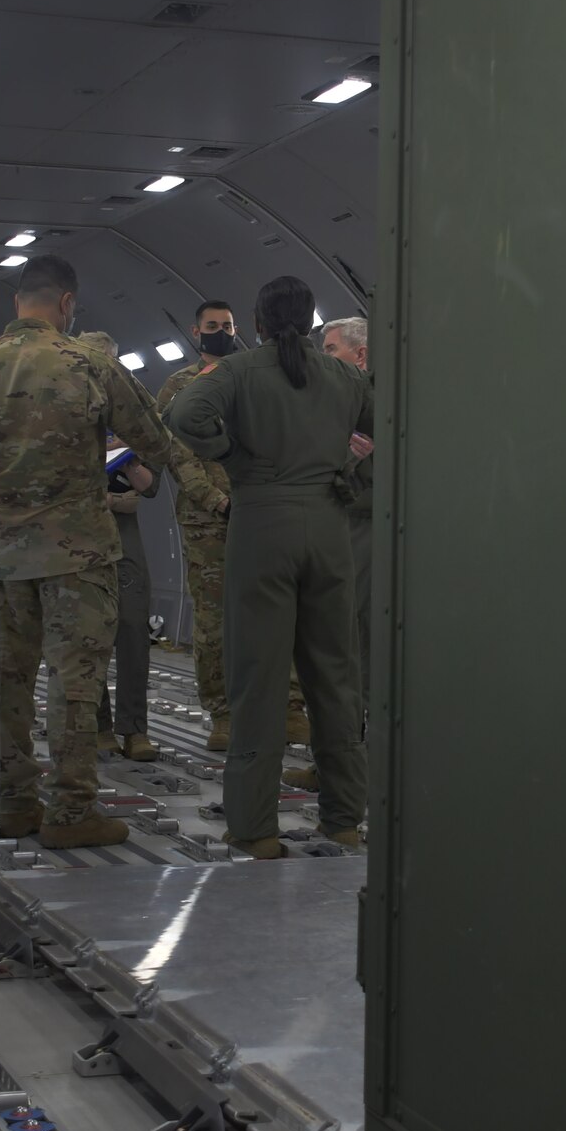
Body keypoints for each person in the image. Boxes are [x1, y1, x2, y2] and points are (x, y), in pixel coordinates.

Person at [0, 255, 175, 848]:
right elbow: (153, 439)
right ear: (67, 305)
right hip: (78, 553)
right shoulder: (89, 363)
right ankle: (72, 810)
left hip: (4, 554)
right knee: (75, 681)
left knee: (7, 678)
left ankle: (15, 804)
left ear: (17, 303)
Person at [168, 275, 372, 859]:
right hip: (330, 532)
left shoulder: (236, 372)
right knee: (335, 677)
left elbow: (185, 418)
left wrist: (234, 457)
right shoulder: (345, 376)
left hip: (261, 529)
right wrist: (345, 469)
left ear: (255, 323)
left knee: (258, 677)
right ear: (312, 323)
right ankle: (341, 820)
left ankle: (256, 827)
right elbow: (386, 423)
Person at [154, 299, 310, 753]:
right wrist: (215, 500)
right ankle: (223, 713)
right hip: (207, 521)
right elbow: (174, 450)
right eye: (212, 325)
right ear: (195, 330)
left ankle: (290, 707)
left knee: (281, 609)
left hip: (261, 509)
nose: (221, 331)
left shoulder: (253, 376)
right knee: (214, 620)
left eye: (227, 325)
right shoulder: (179, 385)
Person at [285, 315, 375, 793]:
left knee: (360, 654)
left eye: (332, 348)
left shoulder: (374, 403)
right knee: (334, 654)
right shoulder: (337, 402)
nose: (323, 357)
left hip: (366, 534)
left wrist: (352, 458)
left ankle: (359, 770)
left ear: (360, 356)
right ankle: (334, 763)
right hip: (335, 533)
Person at [73, 331, 162, 763]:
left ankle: (134, 729)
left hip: (123, 542)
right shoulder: (62, 413)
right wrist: (109, 498)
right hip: (78, 539)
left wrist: (126, 457)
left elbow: (149, 487)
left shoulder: (132, 416)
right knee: (84, 639)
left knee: (132, 634)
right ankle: (99, 726)